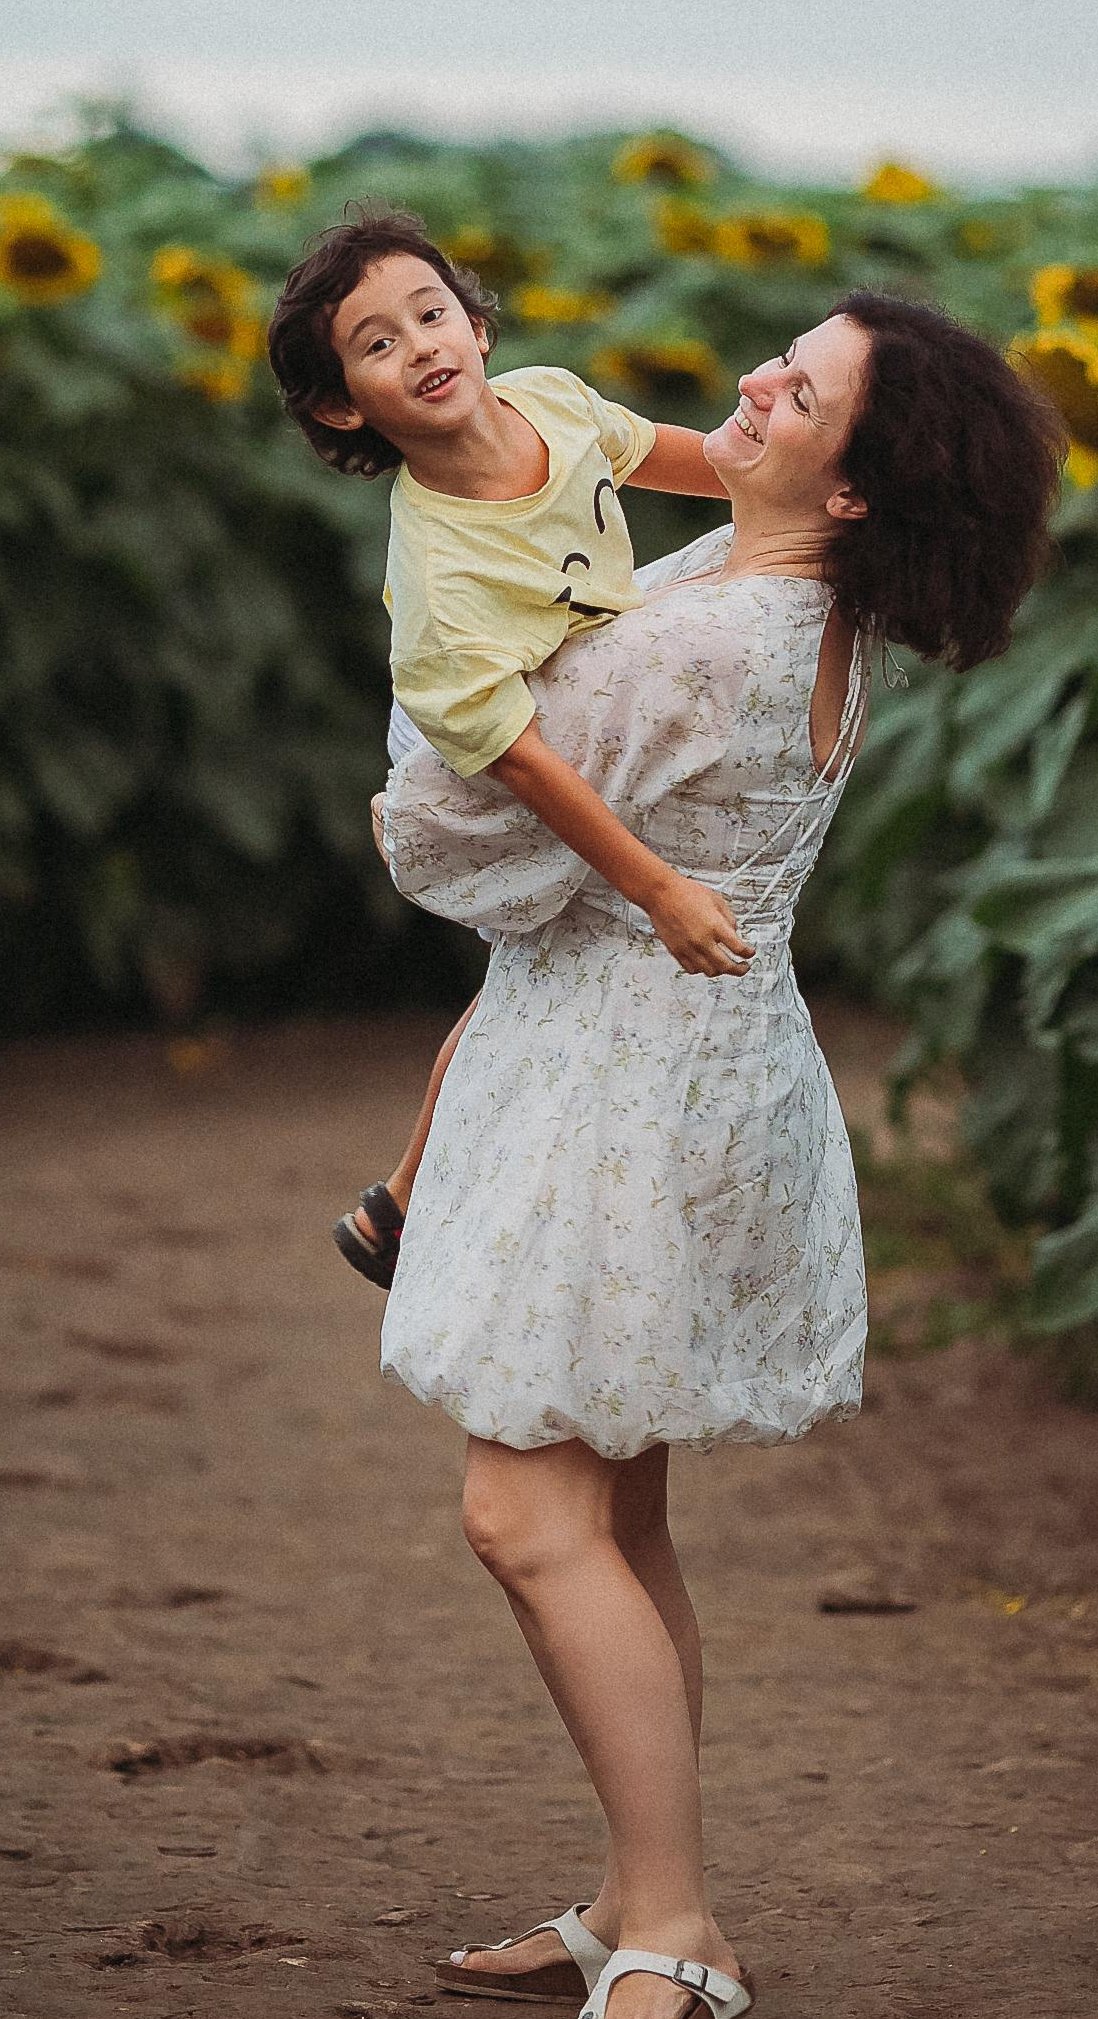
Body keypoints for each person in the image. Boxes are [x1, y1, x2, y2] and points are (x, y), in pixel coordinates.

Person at [373, 293, 1064, 2019]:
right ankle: (636, 1896)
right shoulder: (785, 603)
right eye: (781, 353)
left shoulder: (708, 642)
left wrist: (447, 678)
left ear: (852, 488)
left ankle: (679, 1929)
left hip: (622, 1087)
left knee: (524, 1521)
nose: (752, 379)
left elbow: (467, 846)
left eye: (803, 388)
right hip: (703, 1079)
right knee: (618, 1520)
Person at [264, 204, 741, 1291]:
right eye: (376, 343)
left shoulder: (553, 402)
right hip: (470, 740)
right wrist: (658, 888)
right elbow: (517, 759)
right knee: (536, 962)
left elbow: (671, 456)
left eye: (430, 313)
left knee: (538, 974)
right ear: (346, 406)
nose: (419, 343)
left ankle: (394, 1206)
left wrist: (789, 492)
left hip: (568, 668)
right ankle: (413, 1201)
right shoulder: (446, 591)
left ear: (477, 328)